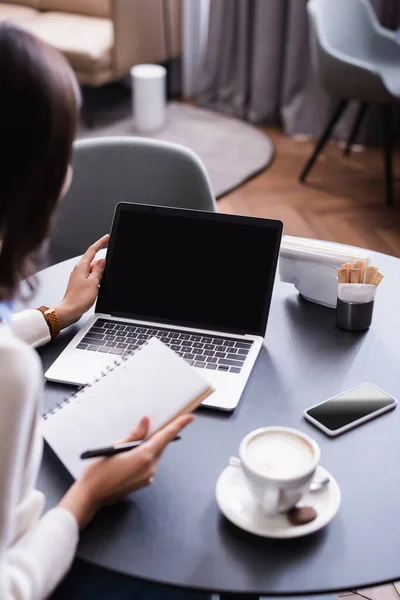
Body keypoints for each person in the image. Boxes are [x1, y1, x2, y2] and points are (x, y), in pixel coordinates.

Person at [0, 23, 198, 600]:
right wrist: (88, 495)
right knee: (183, 561)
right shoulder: (10, 372)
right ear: (35, 182)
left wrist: (58, 316)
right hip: (37, 561)